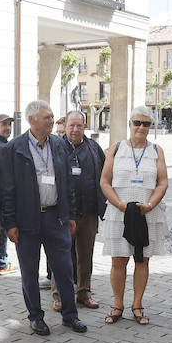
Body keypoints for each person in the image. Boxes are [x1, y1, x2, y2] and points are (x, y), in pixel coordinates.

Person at [0, 100, 87, 335]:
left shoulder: (58, 145)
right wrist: (10, 224)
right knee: (29, 272)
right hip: (27, 222)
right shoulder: (13, 149)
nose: (52, 121)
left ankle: (70, 315)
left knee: (64, 269)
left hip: (56, 218)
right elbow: (6, 190)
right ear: (32, 119)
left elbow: (68, 182)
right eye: (47, 117)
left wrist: (70, 214)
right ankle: (36, 316)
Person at [98, 106, 169, 327]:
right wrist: (118, 204)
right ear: (129, 124)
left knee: (142, 260)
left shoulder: (157, 150)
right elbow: (105, 181)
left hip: (147, 212)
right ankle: (117, 304)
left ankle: (137, 305)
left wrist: (150, 204)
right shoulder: (116, 148)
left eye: (146, 124)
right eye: (137, 122)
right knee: (118, 260)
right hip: (120, 212)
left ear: (150, 127)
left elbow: (163, 182)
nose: (141, 127)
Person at [66, 110, 107, 309]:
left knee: (86, 256)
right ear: (65, 126)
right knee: (62, 256)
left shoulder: (94, 148)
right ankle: (59, 296)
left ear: (84, 127)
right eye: (71, 125)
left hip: (89, 212)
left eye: (79, 126)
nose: (75, 130)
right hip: (64, 214)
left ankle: (84, 292)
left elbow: (106, 173)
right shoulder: (56, 147)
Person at [0, 113, 15, 273]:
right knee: (1, 230)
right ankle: (2, 262)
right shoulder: (0, 147)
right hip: (1, 197)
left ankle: (1, 260)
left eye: (9, 124)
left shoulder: (0, 145)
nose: (7, 128)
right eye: (3, 124)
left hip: (0, 196)